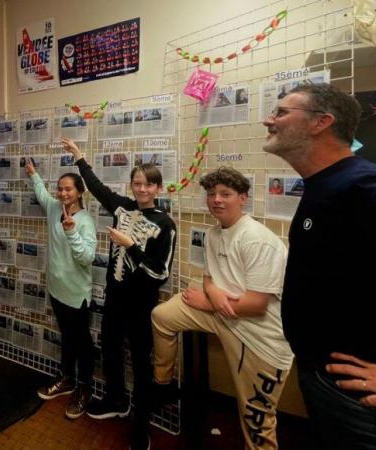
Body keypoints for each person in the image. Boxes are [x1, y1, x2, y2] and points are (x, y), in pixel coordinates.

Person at [262, 83, 376, 449]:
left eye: (281, 112)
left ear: (321, 123)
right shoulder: (324, 185)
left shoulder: (368, 187)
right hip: (330, 387)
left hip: (373, 408)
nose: (269, 120)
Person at [151, 167, 293, 450]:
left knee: (257, 421)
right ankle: (162, 383)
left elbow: (256, 305)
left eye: (225, 194)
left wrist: (209, 302)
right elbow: (208, 277)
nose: (216, 199)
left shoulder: (257, 238)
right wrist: (213, 294)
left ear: (243, 197)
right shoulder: (213, 234)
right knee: (161, 315)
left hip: (257, 335)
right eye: (211, 194)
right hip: (221, 314)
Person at [62, 138, 176, 450]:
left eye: (148, 185)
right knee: (110, 349)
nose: (141, 190)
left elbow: (160, 272)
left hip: (141, 305)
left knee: (141, 364)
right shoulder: (123, 207)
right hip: (115, 298)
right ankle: (115, 399)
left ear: (158, 188)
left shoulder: (165, 224)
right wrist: (80, 158)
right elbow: (98, 188)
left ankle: (141, 426)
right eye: (137, 183)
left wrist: (131, 246)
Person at [25, 159, 97, 420]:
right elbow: (42, 194)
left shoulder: (86, 221)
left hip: (77, 294)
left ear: (79, 192)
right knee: (67, 337)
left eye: (69, 189)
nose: (63, 193)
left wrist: (71, 233)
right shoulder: (54, 208)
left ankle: (85, 388)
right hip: (56, 290)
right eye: (60, 189)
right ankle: (67, 379)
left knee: (83, 344)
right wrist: (33, 174)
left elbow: (87, 258)